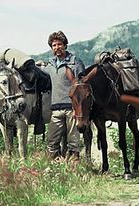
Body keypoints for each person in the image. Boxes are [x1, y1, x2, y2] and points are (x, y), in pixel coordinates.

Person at [44, 31, 85, 160]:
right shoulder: (49, 65)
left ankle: (74, 168)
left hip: (71, 108)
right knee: (52, 141)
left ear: (65, 45)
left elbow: (82, 87)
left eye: (59, 44)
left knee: (73, 141)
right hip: (55, 109)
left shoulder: (75, 62)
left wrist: (78, 109)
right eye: (54, 45)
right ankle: (56, 170)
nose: (57, 48)